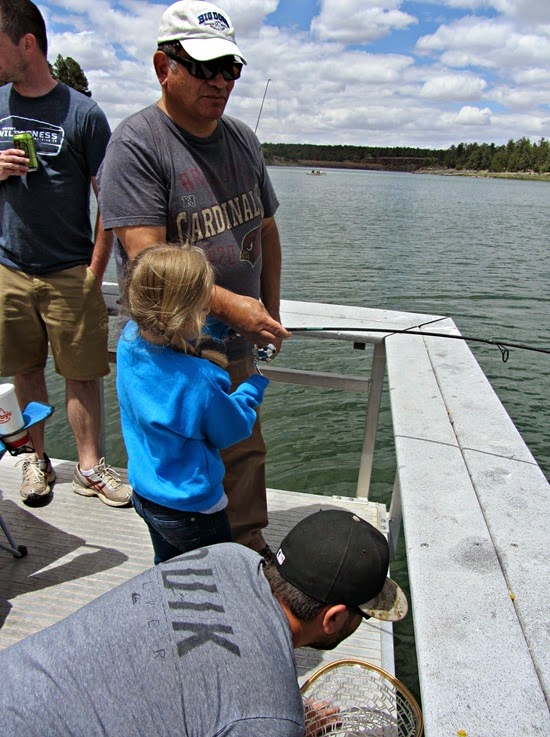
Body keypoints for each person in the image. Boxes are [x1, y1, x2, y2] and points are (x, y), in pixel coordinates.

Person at [98, 0, 291, 553]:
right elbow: (147, 260)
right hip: (174, 355)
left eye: (230, 68)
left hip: (239, 342)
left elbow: (267, 231)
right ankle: (194, 566)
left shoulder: (243, 140)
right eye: (205, 67)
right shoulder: (135, 145)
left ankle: (248, 551)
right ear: (165, 67)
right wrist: (236, 308)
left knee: (243, 450)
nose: (220, 81)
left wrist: (269, 311)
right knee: (182, 473)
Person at [0, 509, 408, 736]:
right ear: (334, 618)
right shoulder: (268, 719)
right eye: (362, 614)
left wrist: (272, 713)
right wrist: (275, 722)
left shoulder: (226, 555)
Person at [0, 0, 131, 507]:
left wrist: (94, 270)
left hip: (70, 271)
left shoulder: (83, 113)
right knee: (25, 369)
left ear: (27, 43)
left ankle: (90, 467)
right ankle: (35, 460)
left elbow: (110, 200)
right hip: (9, 268)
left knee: (82, 373)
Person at [117, 243, 270, 564]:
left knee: (168, 570)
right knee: (216, 575)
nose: (207, 314)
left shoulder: (128, 341)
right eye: (203, 308)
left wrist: (218, 328)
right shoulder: (201, 379)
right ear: (184, 314)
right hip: (194, 510)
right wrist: (253, 384)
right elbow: (232, 430)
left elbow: (169, 337)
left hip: (146, 495)